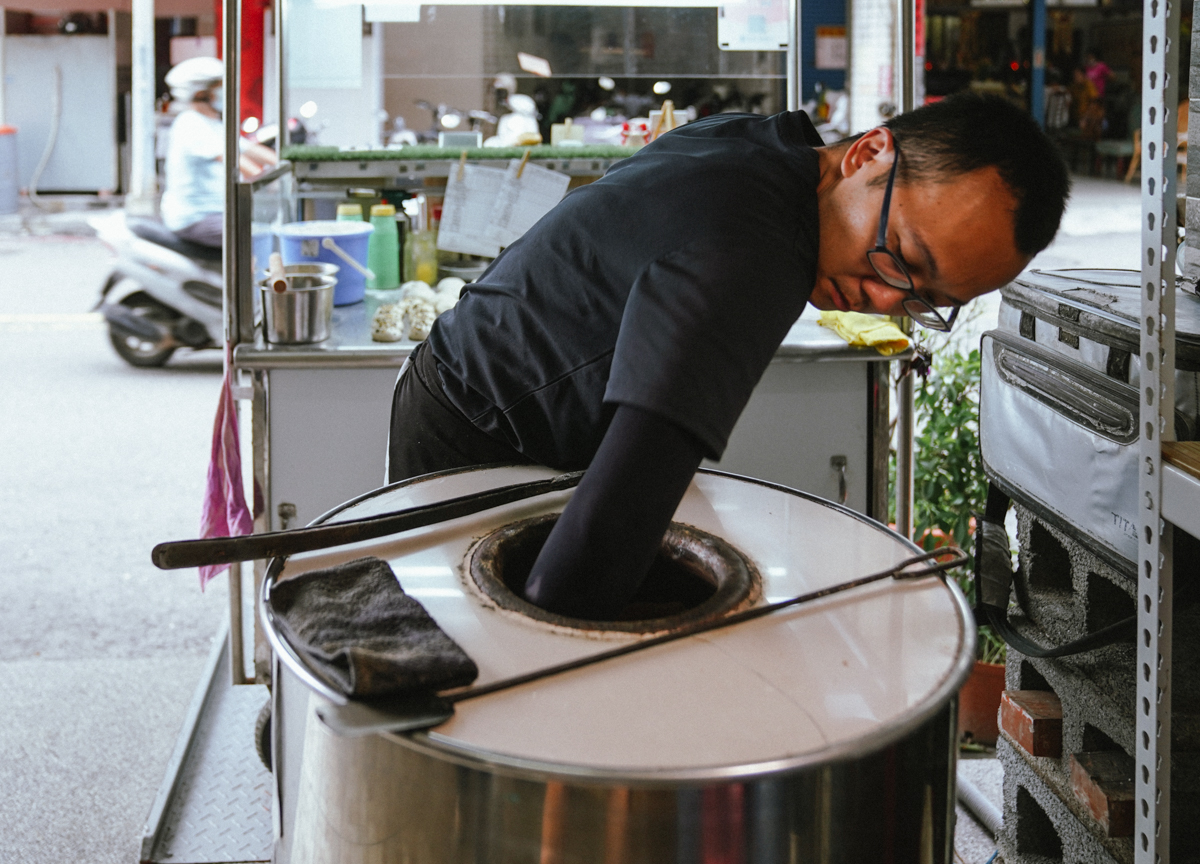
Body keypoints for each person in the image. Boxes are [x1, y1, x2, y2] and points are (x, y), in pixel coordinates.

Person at [387, 92, 1070, 619]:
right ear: (870, 153)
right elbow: (611, 530)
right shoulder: (759, 256)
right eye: (903, 257)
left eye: (928, 299)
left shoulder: (767, 144)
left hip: (470, 383)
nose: (889, 299)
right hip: (474, 439)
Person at [159, 57, 277, 248]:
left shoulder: (213, 123)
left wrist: (284, 163)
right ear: (201, 94)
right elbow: (236, 161)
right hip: (196, 218)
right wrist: (265, 177)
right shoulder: (191, 123)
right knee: (258, 238)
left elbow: (248, 148)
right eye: (220, 87)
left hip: (214, 212)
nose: (226, 92)